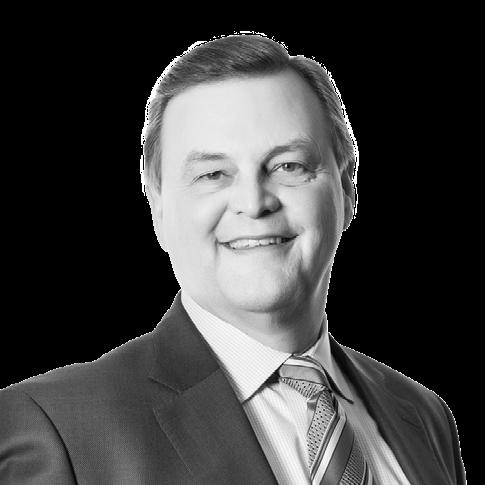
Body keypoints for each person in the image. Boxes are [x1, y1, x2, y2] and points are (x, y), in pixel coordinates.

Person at [0, 34, 465, 484]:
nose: (254, 202)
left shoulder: (423, 416)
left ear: (346, 189)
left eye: (288, 166)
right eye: (213, 174)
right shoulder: (54, 430)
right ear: (157, 207)